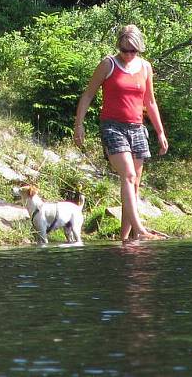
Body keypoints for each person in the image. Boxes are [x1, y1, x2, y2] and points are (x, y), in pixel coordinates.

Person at [73, 24, 168, 241]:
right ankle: (141, 231)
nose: (128, 55)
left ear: (139, 49)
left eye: (132, 51)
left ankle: (126, 240)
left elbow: (150, 102)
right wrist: (79, 125)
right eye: (124, 50)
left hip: (137, 128)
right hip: (113, 127)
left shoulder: (145, 67)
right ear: (119, 47)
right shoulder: (109, 64)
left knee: (134, 184)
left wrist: (160, 133)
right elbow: (88, 95)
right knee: (128, 175)